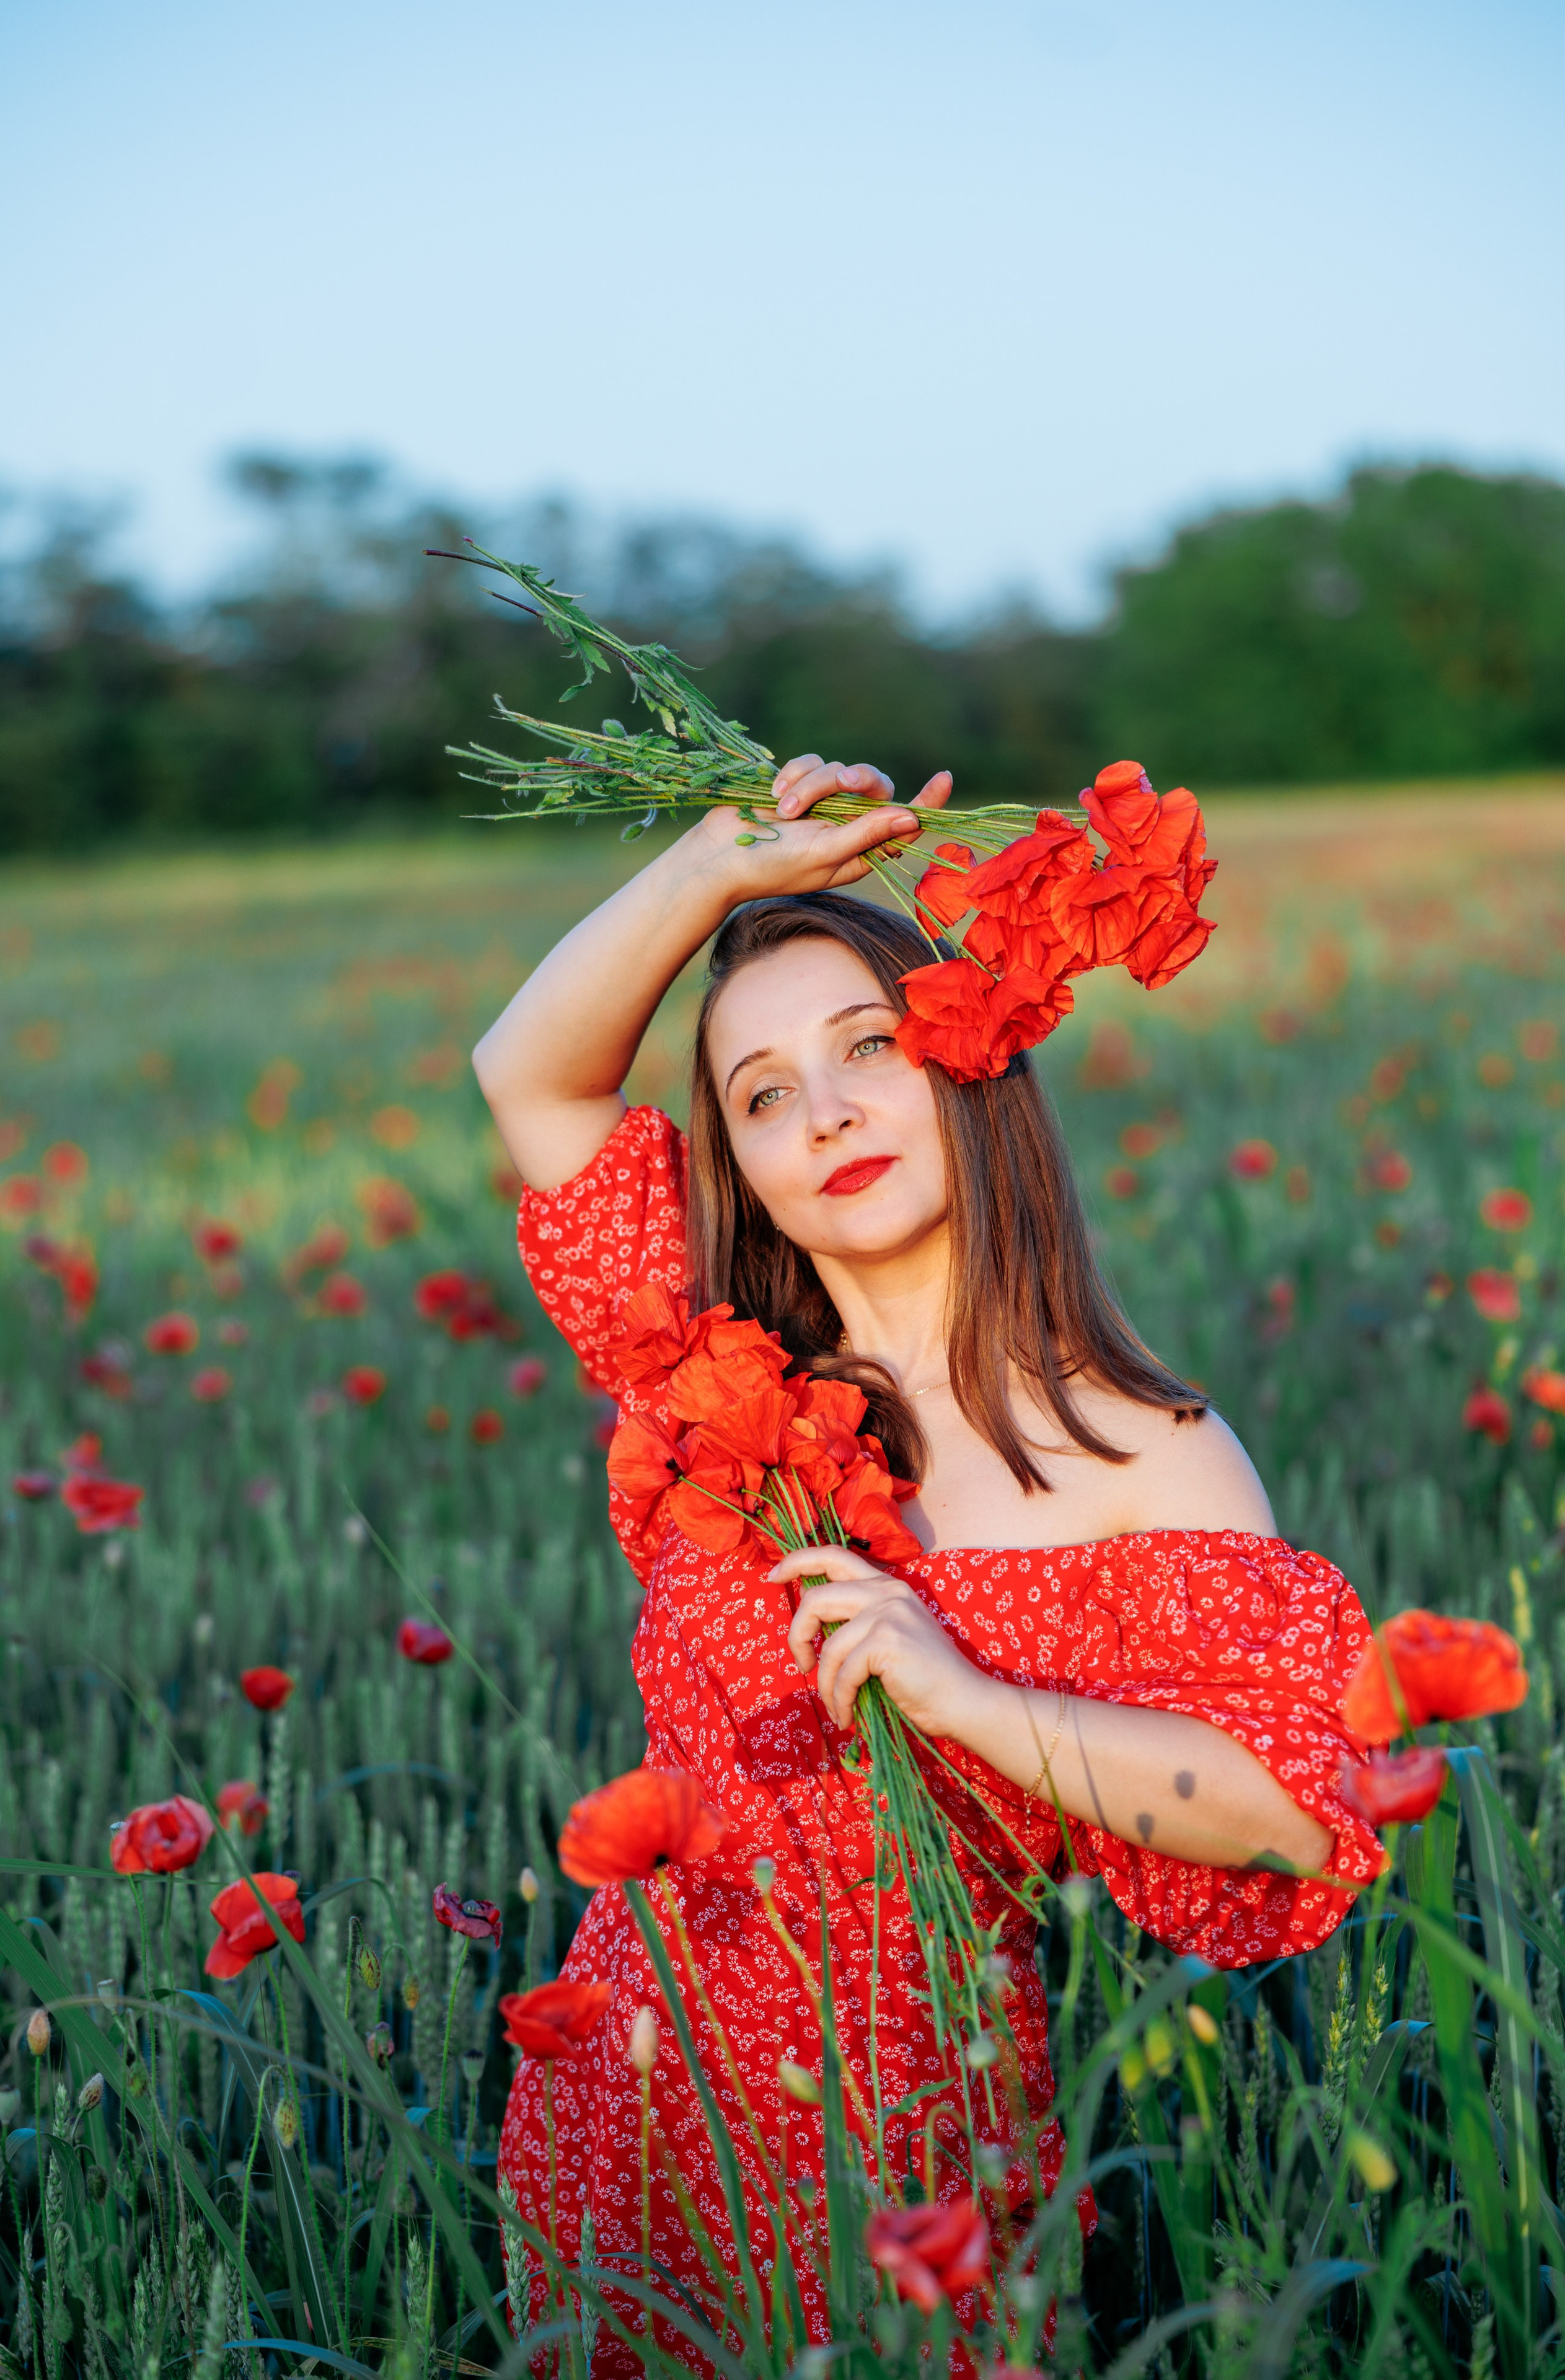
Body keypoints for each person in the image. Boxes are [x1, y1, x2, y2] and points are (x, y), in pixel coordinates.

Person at [474, 755, 1383, 2366]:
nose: (822, 1113)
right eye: (761, 1096)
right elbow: (528, 1076)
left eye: (868, 1050)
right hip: (636, 2077)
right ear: (739, 1166)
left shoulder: (1140, 1449)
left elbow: (1292, 1807)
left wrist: (958, 1698)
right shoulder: (709, 1362)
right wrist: (717, 867)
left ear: (970, 1058)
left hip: (911, 2111)